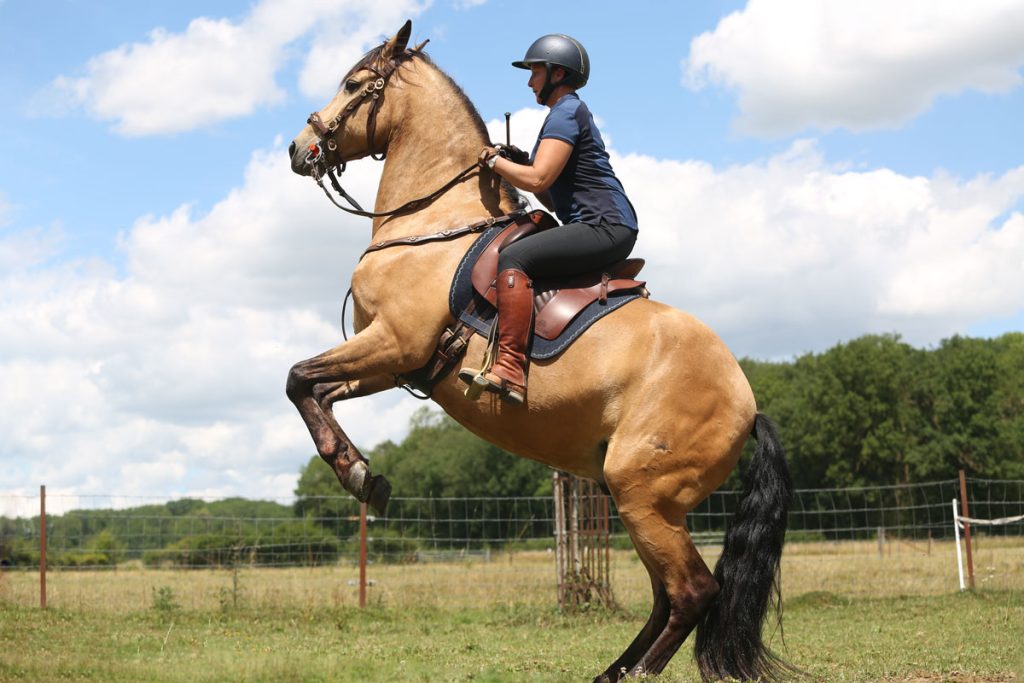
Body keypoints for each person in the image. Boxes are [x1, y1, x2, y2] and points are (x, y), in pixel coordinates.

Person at [462, 34, 639, 406]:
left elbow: (539, 180)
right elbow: (546, 193)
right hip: (603, 225)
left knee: (515, 258)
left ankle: (509, 367)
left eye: (535, 72)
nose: (530, 82)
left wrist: (495, 162)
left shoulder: (566, 112)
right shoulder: (564, 114)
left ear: (557, 73)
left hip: (604, 225)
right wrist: (520, 163)